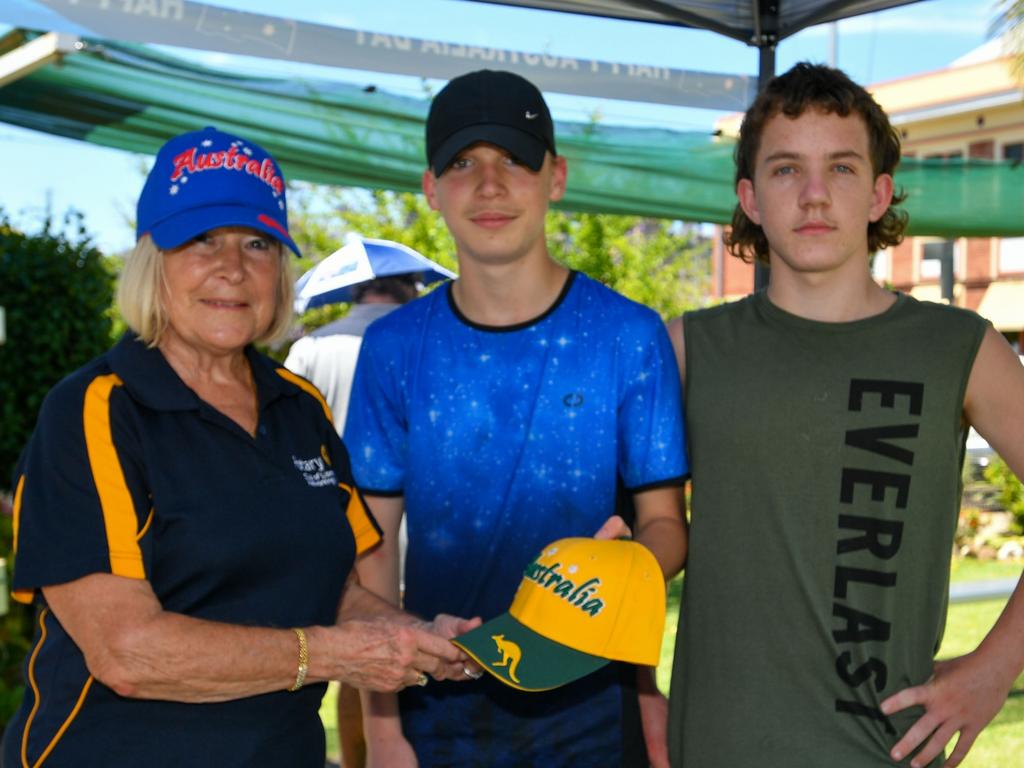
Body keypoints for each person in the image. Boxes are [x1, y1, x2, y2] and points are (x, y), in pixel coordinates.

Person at [3, 126, 477, 768]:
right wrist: (330, 655)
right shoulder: (96, 410)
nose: (232, 266)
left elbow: (328, 587)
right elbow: (127, 653)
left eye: (258, 243)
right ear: (152, 258)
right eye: (201, 239)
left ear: (280, 270)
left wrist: (417, 638)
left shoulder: (298, 407)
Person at [666, 63, 1024, 768]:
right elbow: (625, 539)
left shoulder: (958, 347)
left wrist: (995, 667)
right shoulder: (686, 349)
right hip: (715, 748)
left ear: (878, 193)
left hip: (880, 752)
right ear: (750, 198)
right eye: (785, 170)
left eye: (841, 167)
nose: (814, 195)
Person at [344, 69, 689, 767]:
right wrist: (383, 730)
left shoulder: (630, 335)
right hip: (433, 706)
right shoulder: (391, 347)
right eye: (462, 162)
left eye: (514, 159)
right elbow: (370, 556)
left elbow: (667, 527)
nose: (490, 185)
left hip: (591, 711)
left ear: (555, 177)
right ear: (431, 189)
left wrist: (613, 574)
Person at [286, 273, 419, 768]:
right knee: (415, 645)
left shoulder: (313, 349)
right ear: (409, 286)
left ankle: (357, 761)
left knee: (355, 659)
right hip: (416, 526)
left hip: (334, 528)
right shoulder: (423, 340)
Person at [286, 274, 419, 434]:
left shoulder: (309, 346)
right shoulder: (426, 346)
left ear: (356, 291)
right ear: (411, 291)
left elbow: (284, 419)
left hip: (325, 456)